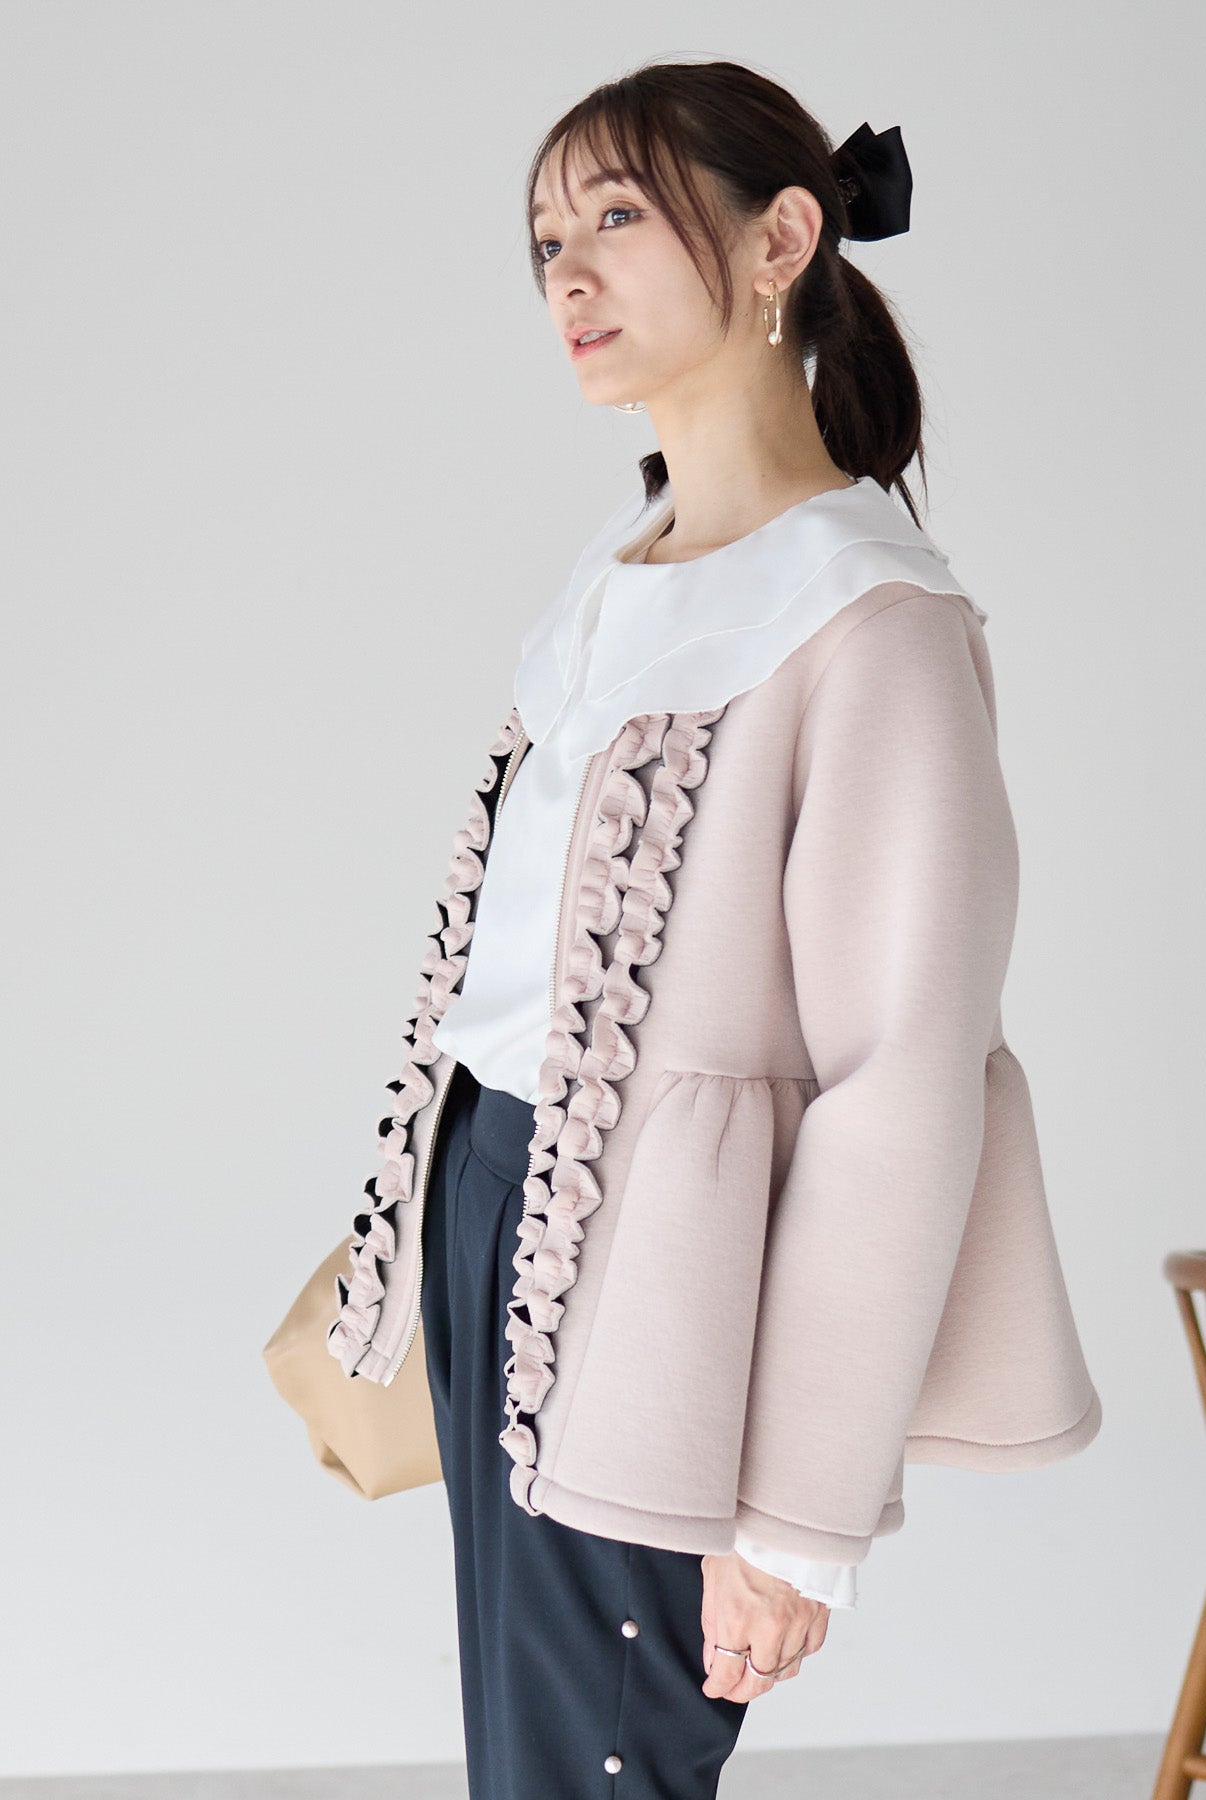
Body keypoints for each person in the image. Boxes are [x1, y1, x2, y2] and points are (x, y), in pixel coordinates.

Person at [327, 56, 1102, 1800]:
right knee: (529, 1762)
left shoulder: (870, 625)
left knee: (595, 1768)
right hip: (496, 1207)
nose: (569, 274)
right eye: (545, 239)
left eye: (616, 215)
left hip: (663, 1292)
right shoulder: (624, 568)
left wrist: (796, 1520)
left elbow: (903, 1089)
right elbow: (519, 976)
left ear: (781, 241)